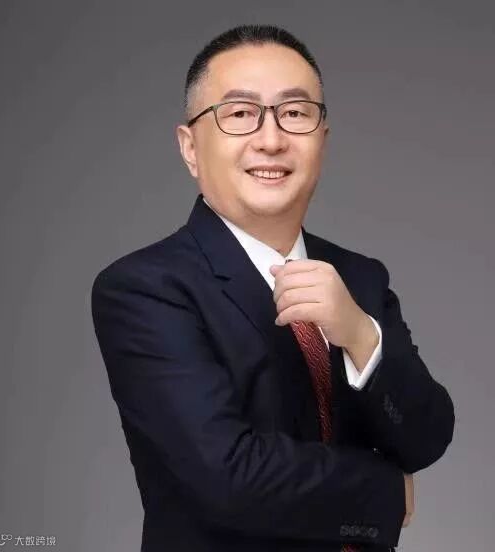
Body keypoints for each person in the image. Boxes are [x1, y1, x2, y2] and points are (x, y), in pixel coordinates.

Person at [91, 24, 455, 552]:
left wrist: (360, 335)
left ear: (322, 140)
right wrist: (385, 490)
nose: (271, 139)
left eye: (296, 113)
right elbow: (228, 477)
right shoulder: (144, 289)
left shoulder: (360, 277)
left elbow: (425, 437)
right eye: (240, 114)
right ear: (190, 147)